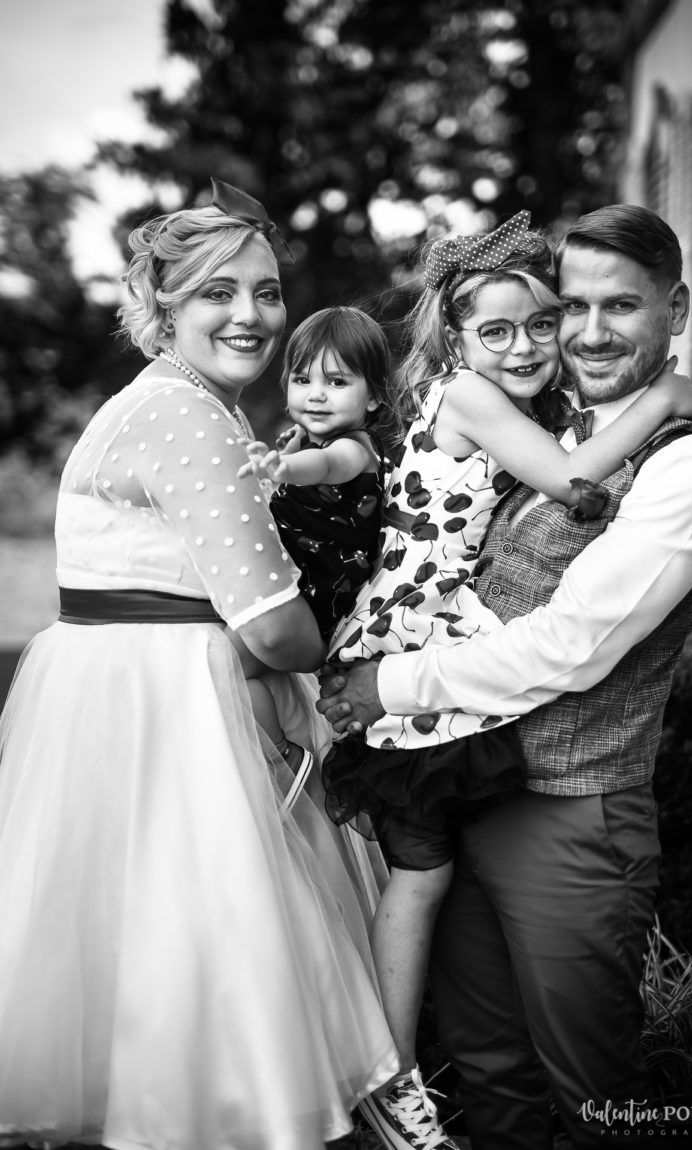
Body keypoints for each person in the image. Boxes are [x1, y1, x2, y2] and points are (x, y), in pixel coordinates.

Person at [317, 203, 692, 1150]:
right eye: (571, 307)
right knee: (489, 1073)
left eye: (619, 306)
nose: (588, 333)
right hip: (469, 786)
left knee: (598, 1096)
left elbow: (570, 646)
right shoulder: (535, 421)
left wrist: (387, 687)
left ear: (674, 309)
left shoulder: (688, 468)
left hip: (573, 817)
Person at [0, 178, 399, 1150]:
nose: (251, 314)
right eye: (219, 292)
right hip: (171, 712)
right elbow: (274, 629)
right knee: (203, 956)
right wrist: (347, 648)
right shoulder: (188, 416)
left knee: (150, 950)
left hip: (130, 692)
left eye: (266, 291)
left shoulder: (172, 405)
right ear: (165, 304)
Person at [234, 305, 398, 784]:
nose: (316, 394)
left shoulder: (355, 450)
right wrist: (286, 458)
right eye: (302, 379)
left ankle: (284, 762)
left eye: (337, 382)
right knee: (231, 667)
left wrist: (285, 468)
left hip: (315, 601)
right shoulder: (304, 442)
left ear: (374, 397)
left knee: (225, 667)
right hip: (294, 585)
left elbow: (327, 467)